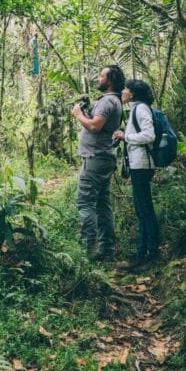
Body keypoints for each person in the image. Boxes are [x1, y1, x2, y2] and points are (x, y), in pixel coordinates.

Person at [71, 65, 125, 261]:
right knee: (102, 204)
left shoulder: (107, 102)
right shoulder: (115, 101)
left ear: (109, 80)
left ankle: (89, 250)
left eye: (101, 76)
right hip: (103, 157)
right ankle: (107, 249)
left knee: (85, 203)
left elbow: (95, 126)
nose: (98, 78)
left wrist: (78, 114)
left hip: (95, 159)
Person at [113, 79, 160, 268]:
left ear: (131, 93)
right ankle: (144, 252)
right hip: (138, 164)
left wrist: (126, 136)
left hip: (142, 165)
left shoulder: (140, 109)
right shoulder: (136, 109)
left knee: (144, 209)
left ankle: (149, 253)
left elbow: (149, 135)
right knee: (143, 209)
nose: (122, 92)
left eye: (125, 89)